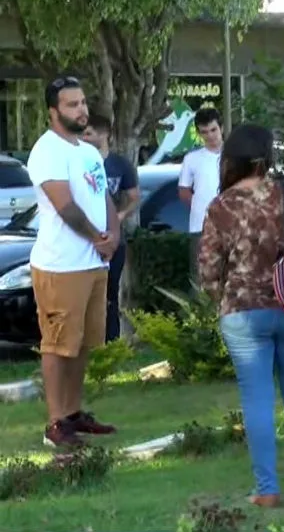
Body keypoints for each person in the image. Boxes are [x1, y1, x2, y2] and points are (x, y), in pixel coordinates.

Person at [198, 125, 284, 508]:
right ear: (266, 157)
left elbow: (208, 268)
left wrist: (219, 297)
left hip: (243, 311)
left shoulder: (221, 206)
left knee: (256, 399)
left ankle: (267, 489)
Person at [28, 76, 120, 448]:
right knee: (57, 344)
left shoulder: (88, 152)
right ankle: (55, 423)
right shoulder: (47, 151)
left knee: (81, 344)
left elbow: (104, 199)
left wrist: (113, 235)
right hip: (60, 265)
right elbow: (64, 206)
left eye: (82, 102)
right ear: (53, 112)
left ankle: (73, 413)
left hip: (94, 263)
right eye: (72, 104)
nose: (81, 110)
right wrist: (98, 240)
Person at [82, 114, 139, 342]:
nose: (84, 138)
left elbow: (134, 196)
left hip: (114, 238)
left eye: (88, 133)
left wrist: (121, 214)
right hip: (86, 237)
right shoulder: (81, 163)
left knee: (110, 293)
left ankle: (112, 341)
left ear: (104, 134)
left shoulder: (120, 164)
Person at [178, 108, 223, 280]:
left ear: (221, 128)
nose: (210, 136)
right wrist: (201, 208)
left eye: (213, 130)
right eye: (204, 132)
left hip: (231, 224)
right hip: (200, 225)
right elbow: (184, 190)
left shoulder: (233, 156)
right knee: (200, 276)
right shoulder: (192, 159)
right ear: (199, 133)